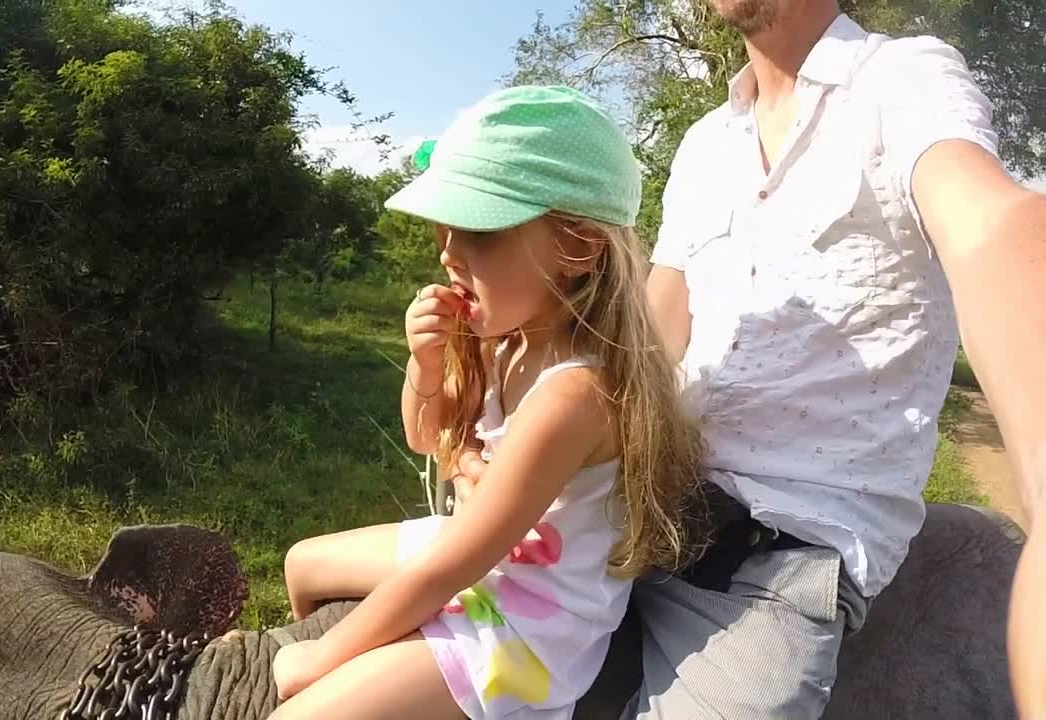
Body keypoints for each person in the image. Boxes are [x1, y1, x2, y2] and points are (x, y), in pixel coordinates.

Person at [452, 3, 1046, 718]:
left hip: (780, 562)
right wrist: (506, 432)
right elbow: (648, 341)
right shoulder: (707, 144)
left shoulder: (903, 79)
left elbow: (991, 224)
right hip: (643, 510)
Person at [266, 85, 705, 720]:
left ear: (577, 249)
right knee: (302, 563)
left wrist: (326, 656)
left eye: (479, 231)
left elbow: (450, 566)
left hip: (524, 622)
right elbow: (425, 437)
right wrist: (424, 362)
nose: (447, 252)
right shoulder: (510, 342)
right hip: (483, 561)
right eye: (445, 230)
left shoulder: (575, 395)